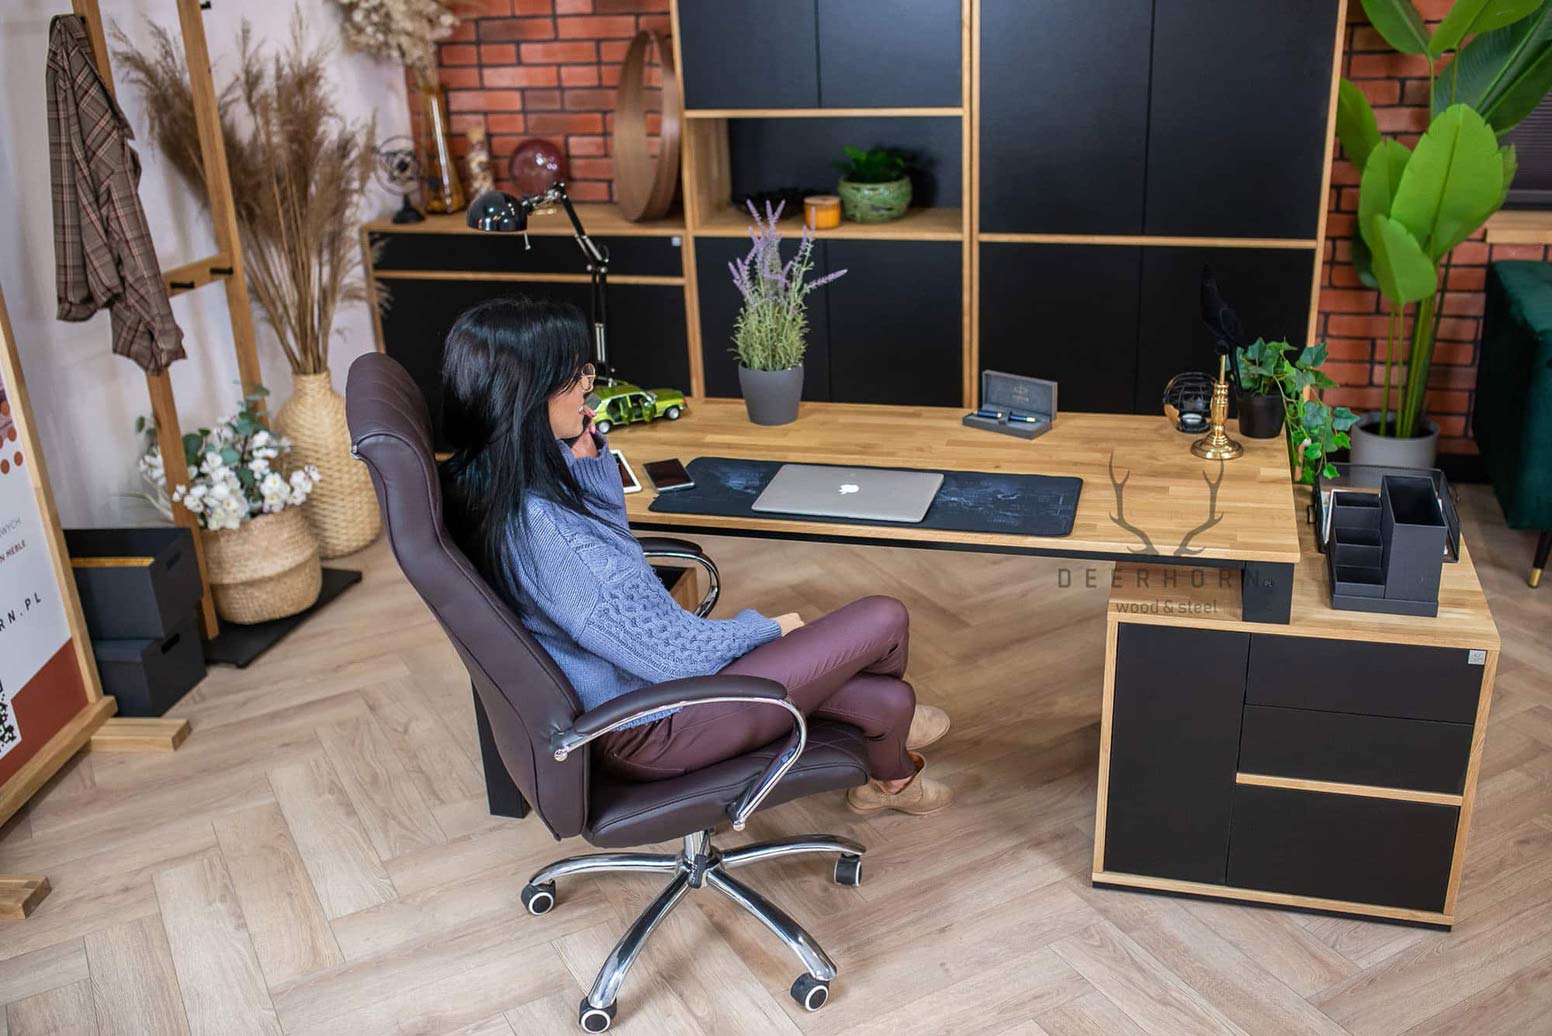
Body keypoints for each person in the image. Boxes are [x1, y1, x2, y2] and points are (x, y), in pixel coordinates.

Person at [438, 297, 952, 815]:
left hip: (639, 691)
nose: (588, 387)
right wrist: (768, 627)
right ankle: (885, 752)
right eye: (575, 376)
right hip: (654, 724)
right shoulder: (547, 532)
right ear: (529, 392)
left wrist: (589, 468)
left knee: (891, 703)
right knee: (884, 616)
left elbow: (613, 562)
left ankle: (889, 783)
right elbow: (676, 655)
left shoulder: (496, 482)